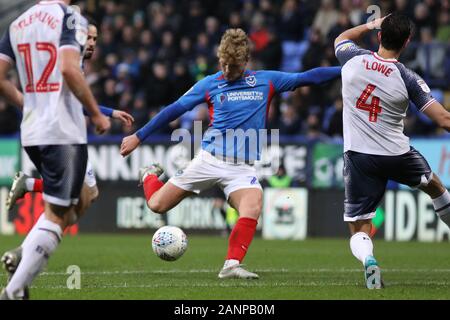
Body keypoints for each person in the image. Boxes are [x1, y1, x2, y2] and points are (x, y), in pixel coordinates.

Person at [120, 28, 341, 279]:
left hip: (241, 169)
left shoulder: (266, 80)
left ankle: (231, 264)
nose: (226, 71)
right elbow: (174, 109)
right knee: (157, 205)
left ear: (245, 62)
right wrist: (139, 136)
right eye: (223, 64)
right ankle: (149, 174)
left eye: (233, 67)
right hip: (209, 161)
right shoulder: (210, 83)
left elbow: (309, 77)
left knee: (253, 205)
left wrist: (348, 69)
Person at [1, 22, 134, 277]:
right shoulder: (68, 61)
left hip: (56, 134)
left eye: (96, 38)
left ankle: (29, 197)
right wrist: (103, 113)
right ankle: (23, 256)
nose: (93, 43)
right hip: (62, 136)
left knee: (86, 194)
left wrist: (108, 112)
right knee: (72, 201)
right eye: (89, 37)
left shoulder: (74, 62)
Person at [334, 13, 450, 289]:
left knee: (360, 226)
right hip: (398, 155)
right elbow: (443, 120)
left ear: (379, 36)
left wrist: (370, 23)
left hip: (359, 156)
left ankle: (369, 261)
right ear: (407, 42)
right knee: (435, 186)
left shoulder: (352, 59)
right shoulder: (408, 78)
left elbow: (340, 38)